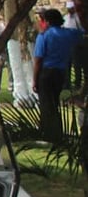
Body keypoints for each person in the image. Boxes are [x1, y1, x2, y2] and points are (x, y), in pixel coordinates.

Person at [32, 8, 83, 141]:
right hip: (61, 73)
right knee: (54, 102)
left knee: (46, 104)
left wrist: (34, 80)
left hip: (46, 72)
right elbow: (81, 33)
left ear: (47, 21)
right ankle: (55, 131)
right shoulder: (68, 34)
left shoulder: (44, 36)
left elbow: (38, 60)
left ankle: (50, 134)